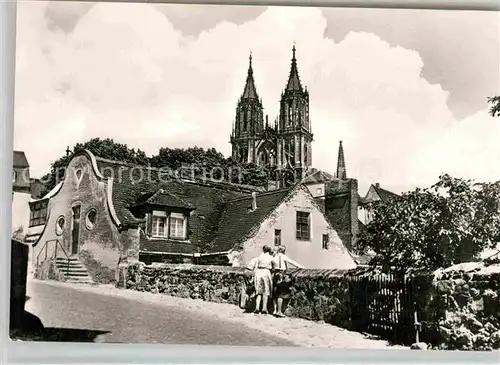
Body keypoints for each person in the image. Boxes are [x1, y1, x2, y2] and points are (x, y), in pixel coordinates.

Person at [273, 245, 304, 317]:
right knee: (283, 293)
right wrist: (300, 267)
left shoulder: (275, 256)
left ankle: (277, 310)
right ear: (283, 251)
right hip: (282, 274)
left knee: (278, 293)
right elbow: (291, 262)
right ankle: (280, 311)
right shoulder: (283, 256)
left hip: (276, 275)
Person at [251, 245, 277, 314]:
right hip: (266, 272)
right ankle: (264, 308)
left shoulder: (259, 257)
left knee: (259, 291)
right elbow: (275, 265)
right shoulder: (271, 257)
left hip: (259, 272)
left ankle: (257, 307)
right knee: (266, 290)